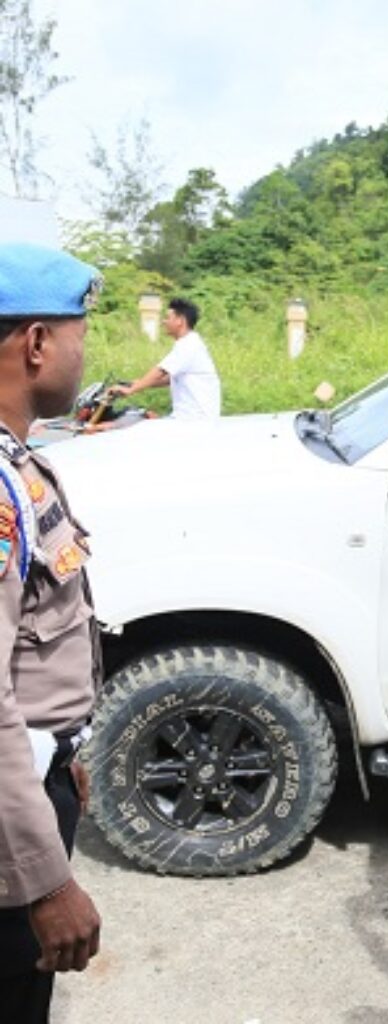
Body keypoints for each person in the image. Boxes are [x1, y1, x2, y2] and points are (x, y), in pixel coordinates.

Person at [0, 243, 104, 1022]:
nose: (82, 350)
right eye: (79, 332)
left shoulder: (19, 463)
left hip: (34, 778)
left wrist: (66, 751)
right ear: (37, 343)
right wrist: (44, 879)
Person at [110, 297, 221, 418]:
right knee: (142, 417)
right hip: (188, 418)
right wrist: (136, 383)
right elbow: (169, 378)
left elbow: (160, 371)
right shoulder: (190, 342)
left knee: (132, 422)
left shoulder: (188, 345)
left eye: (168, 318)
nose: (163, 322)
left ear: (180, 321)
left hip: (192, 420)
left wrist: (132, 390)